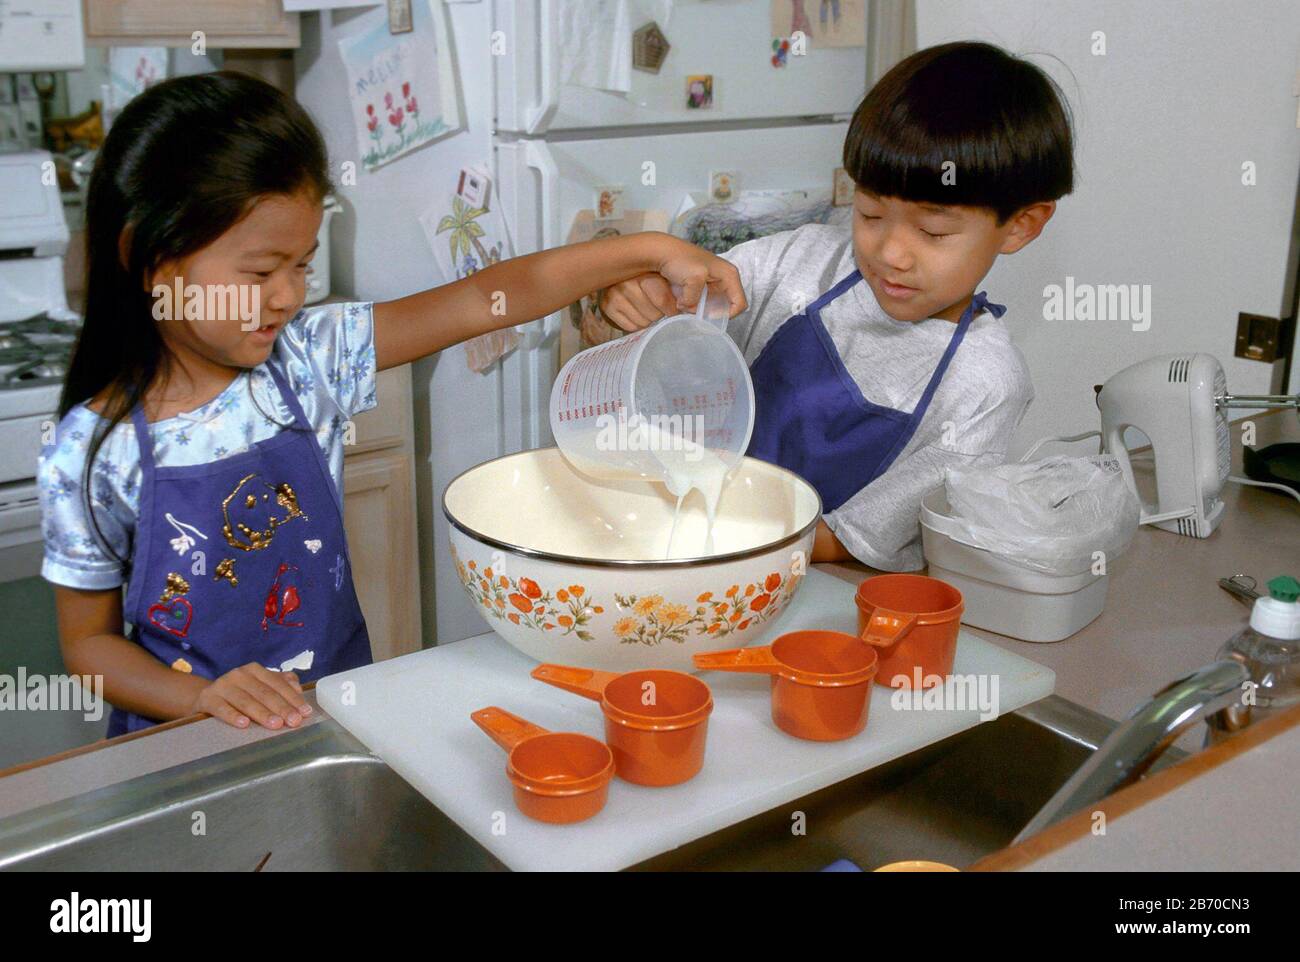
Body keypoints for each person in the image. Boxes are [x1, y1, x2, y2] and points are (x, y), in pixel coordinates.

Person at [40, 71, 743, 735]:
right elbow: (89, 648)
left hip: (334, 711)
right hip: (184, 745)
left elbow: (484, 298)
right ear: (153, 260)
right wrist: (200, 697)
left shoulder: (310, 359)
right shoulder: (91, 450)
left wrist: (650, 250)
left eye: (302, 265)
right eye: (260, 272)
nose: (288, 296)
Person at [601, 41, 1074, 570]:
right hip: (682, 547)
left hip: (819, 593)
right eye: (870, 214)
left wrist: (714, 541)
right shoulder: (802, 263)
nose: (891, 253)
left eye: (932, 231)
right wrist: (633, 297)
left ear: (1021, 226)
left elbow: (853, 538)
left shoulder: (985, 385)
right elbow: (667, 333)